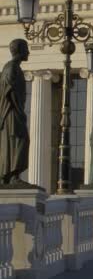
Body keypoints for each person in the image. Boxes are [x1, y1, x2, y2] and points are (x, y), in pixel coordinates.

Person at [0, 39, 30, 185]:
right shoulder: (11, 67)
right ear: (20, 50)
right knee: (18, 140)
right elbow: (9, 91)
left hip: (14, 111)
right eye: (26, 49)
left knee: (19, 140)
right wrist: (19, 110)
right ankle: (12, 176)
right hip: (11, 113)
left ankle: (12, 176)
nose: (28, 52)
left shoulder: (14, 68)